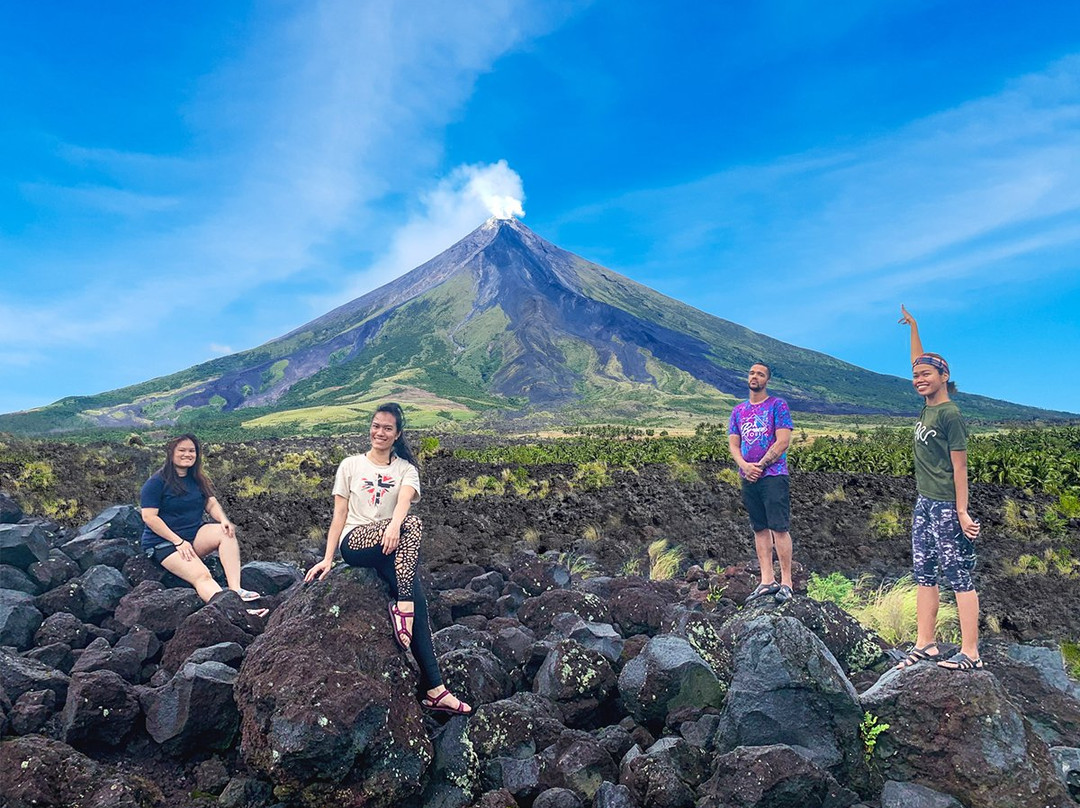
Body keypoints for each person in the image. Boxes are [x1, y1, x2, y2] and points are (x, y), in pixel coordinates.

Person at [305, 402, 471, 715]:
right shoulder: (350, 465)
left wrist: (394, 526)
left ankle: (435, 689)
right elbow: (339, 514)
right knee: (414, 530)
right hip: (356, 543)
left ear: (397, 434)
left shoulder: (406, 469)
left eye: (387, 428)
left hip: (391, 547)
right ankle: (402, 605)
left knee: (417, 596)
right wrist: (327, 558)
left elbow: (405, 501)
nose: (379, 432)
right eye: (376, 425)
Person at [896, 305, 982, 671]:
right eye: (916, 375)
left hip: (947, 504)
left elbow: (960, 467)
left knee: (958, 574)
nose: (919, 378)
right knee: (924, 570)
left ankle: (971, 653)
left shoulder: (950, 414)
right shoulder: (928, 407)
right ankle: (926, 643)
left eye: (926, 374)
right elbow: (920, 358)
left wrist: (962, 512)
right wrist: (914, 327)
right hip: (924, 503)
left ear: (944, 376)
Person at [139, 434, 267, 617]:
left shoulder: (197, 479)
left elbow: (211, 503)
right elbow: (150, 518)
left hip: (192, 535)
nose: (187, 454)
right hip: (163, 543)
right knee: (202, 576)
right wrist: (178, 542)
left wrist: (223, 520)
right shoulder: (156, 483)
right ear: (171, 453)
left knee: (225, 533)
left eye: (191, 451)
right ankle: (238, 611)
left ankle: (236, 589)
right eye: (182, 450)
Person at [728, 362, 796, 603]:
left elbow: (783, 441)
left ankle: (787, 582)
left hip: (774, 475)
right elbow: (734, 444)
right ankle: (767, 580)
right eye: (752, 373)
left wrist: (761, 465)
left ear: (767, 380)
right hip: (748, 476)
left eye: (760, 374)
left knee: (779, 527)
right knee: (759, 527)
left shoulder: (778, 406)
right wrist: (745, 466)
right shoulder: (738, 411)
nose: (755, 376)